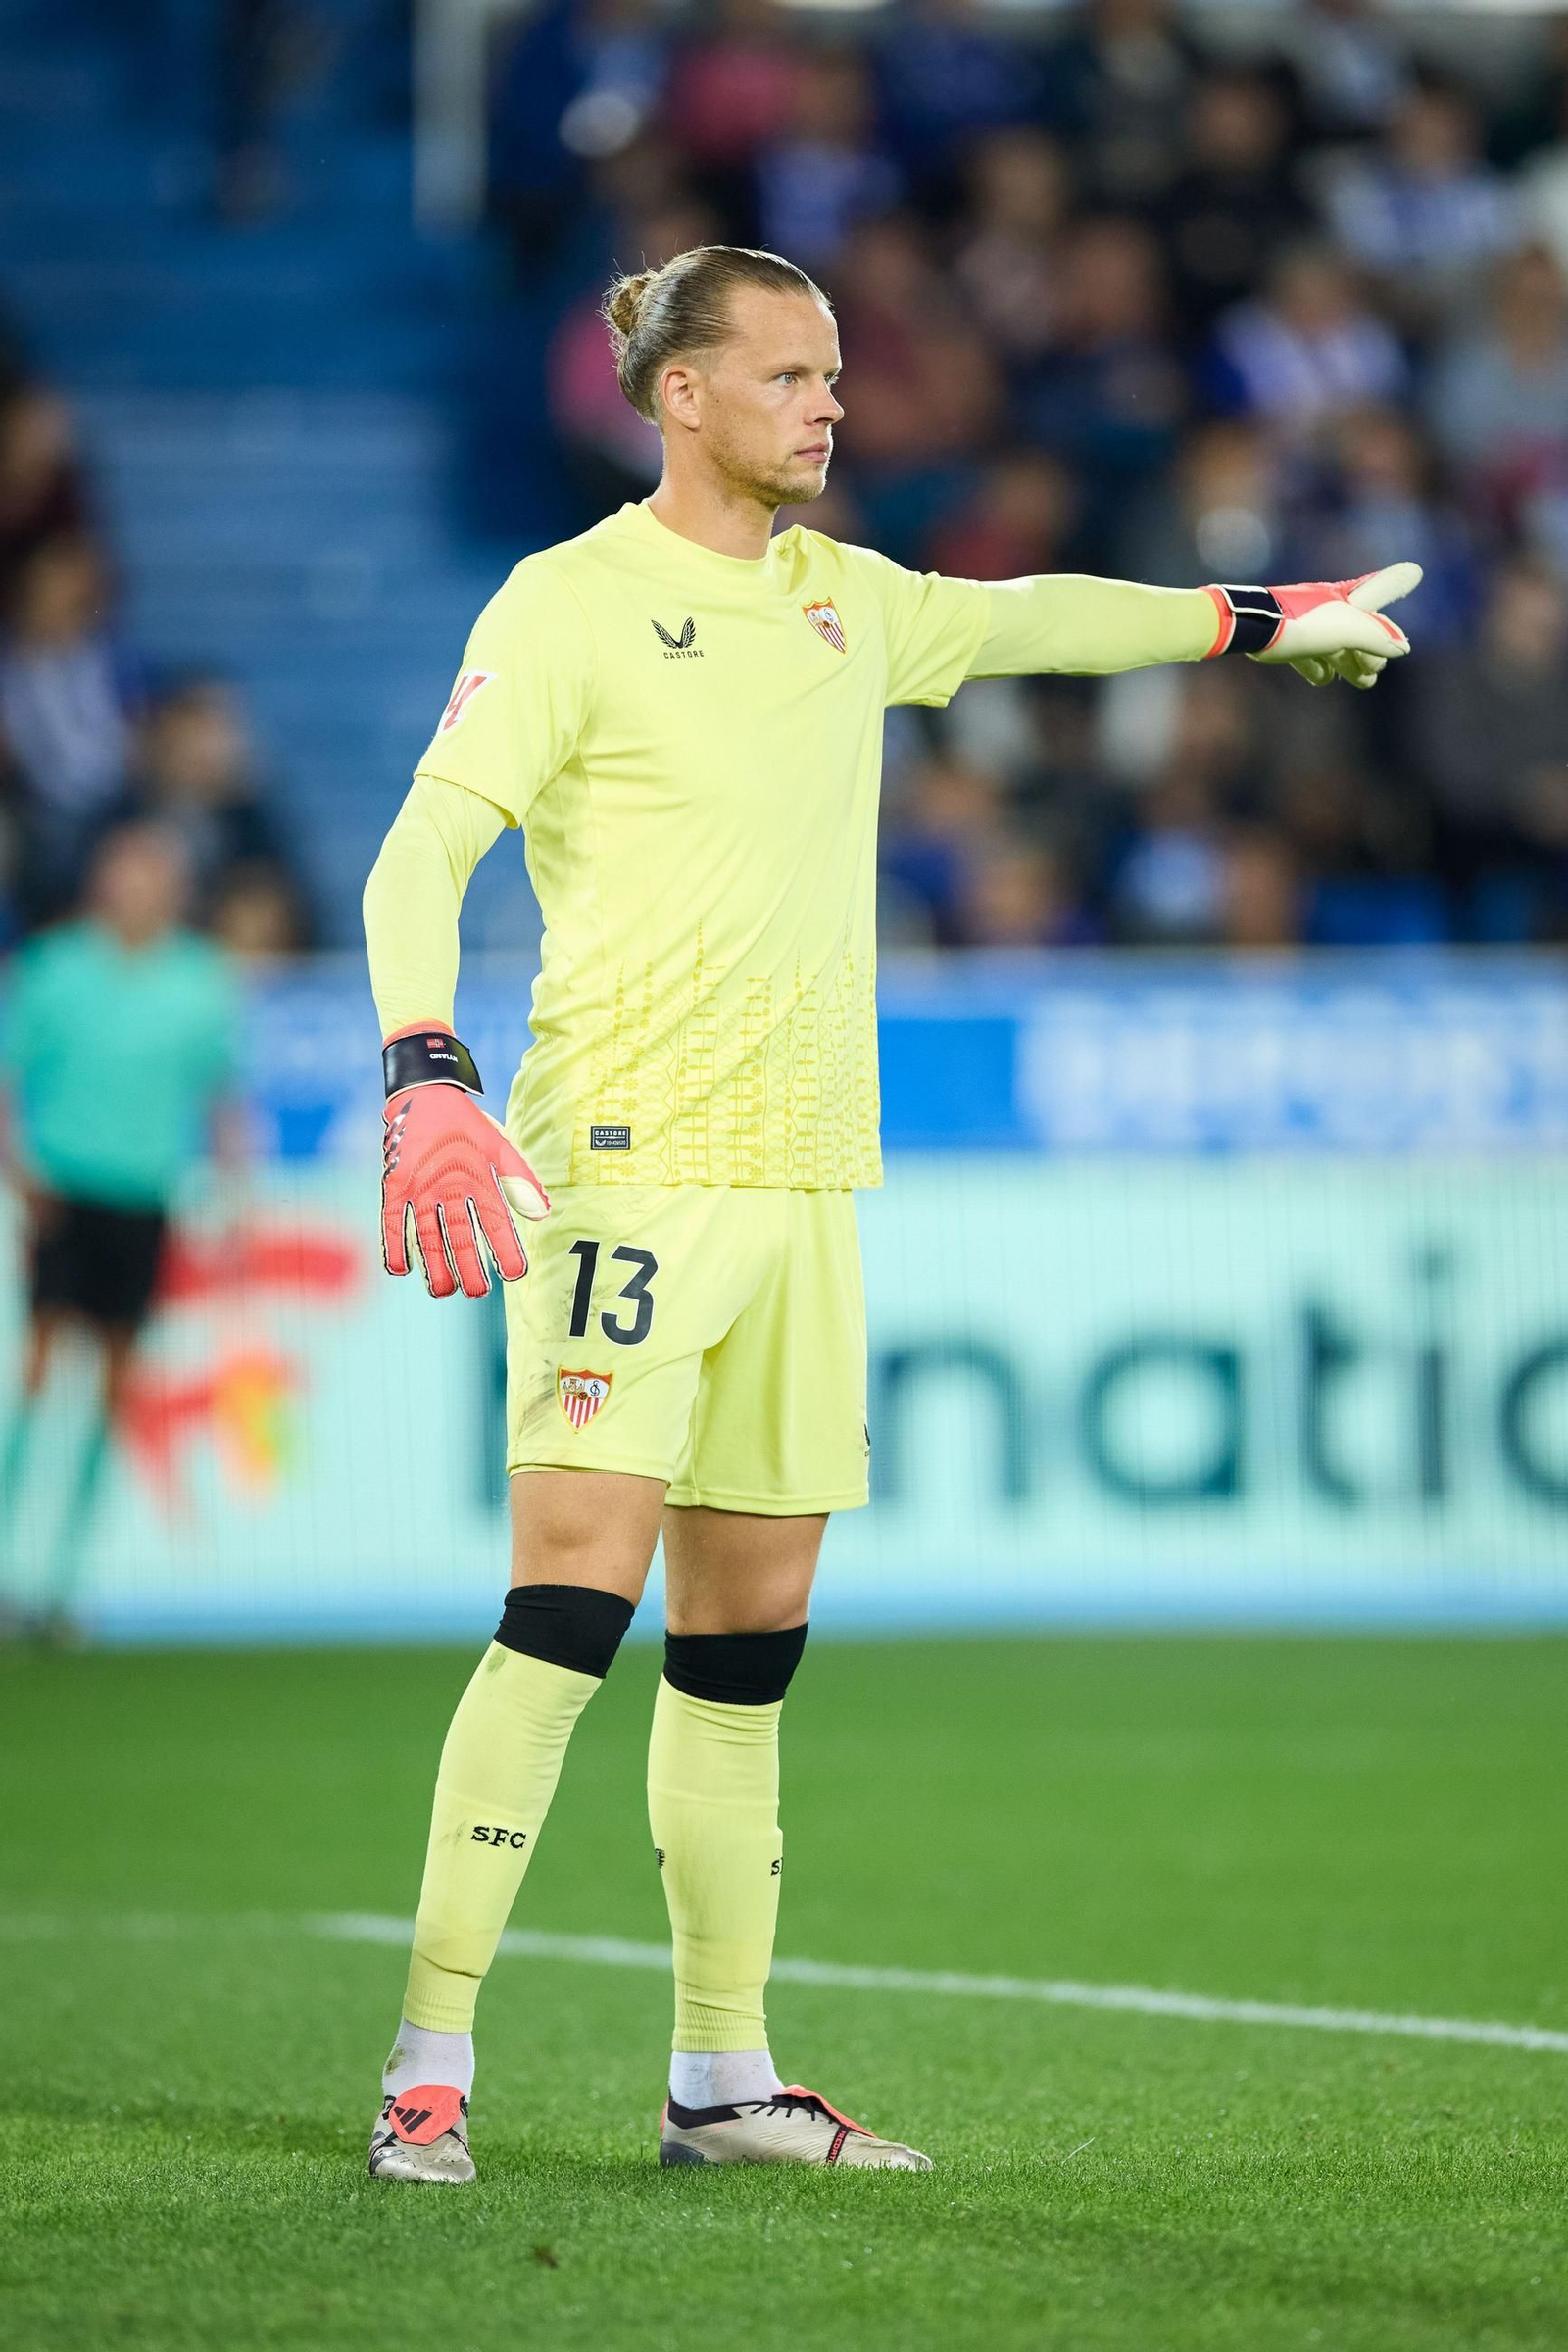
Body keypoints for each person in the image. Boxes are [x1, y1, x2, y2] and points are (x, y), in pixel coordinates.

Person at [359, 241, 1419, 2185]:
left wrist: (1265, 621)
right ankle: (432, 2059)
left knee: (743, 1650)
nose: (826, 406)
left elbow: (1043, 620)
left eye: (832, 376)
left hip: (811, 1180)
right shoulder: (570, 603)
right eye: (783, 375)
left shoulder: (850, 603)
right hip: (629, 1168)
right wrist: (425, 1070)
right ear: (677, 394)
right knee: (560, 1621)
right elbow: (422, 848)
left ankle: (720, 2079)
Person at [0, 823, 243, 1636]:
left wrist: (232, 1200)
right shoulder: (54, 970)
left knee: (111, 1390)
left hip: (143, 1200)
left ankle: (59, 1582)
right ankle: (11, 1562)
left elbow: (222, 1100)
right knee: (37, 1375)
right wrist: (21, 1173)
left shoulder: (201, 980)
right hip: (64, 1195)